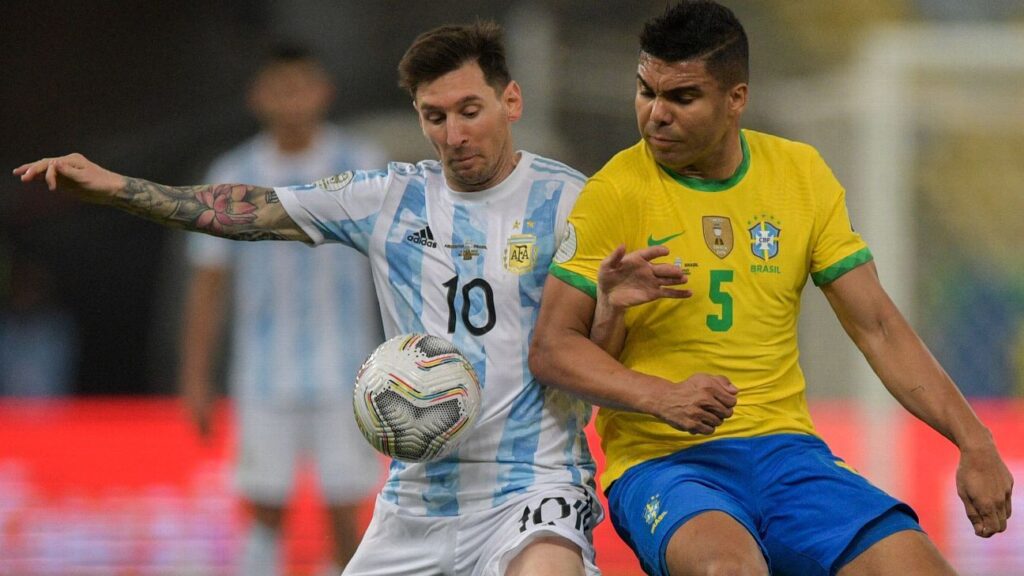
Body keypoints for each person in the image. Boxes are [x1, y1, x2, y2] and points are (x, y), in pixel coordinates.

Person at [15, 21, 602, 576]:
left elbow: (597, 343)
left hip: (534, 480)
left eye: (469, 111)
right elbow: (245, 212)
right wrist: (116, 188)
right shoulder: (388, 198)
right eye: (435, 116)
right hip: (420, 486)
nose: (454, 134)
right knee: (269, 507)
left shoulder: (569, 201)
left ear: (512, 103)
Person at [528, 2, 1014, 575]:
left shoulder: (800, 175)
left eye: (681, 98)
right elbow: (551, 347)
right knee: (728, 571)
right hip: (667, 464)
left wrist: (975, 441)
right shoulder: (615, 191)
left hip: (788, 455)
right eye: (645, 91)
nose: (654, 114)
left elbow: (878, 326)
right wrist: (661, 395)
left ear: (736, 99)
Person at [177, 43, 387, 576]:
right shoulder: (232, 174)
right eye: (280, 88)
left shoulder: (359, 166)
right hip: (264, 375)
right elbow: (208, 283)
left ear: (323, 92)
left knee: (347, 513)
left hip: (348, 371)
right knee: (263, 508)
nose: (292, 100)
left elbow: (395, 263)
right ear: (258, 96)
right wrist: (196, 376)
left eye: (302, 86)